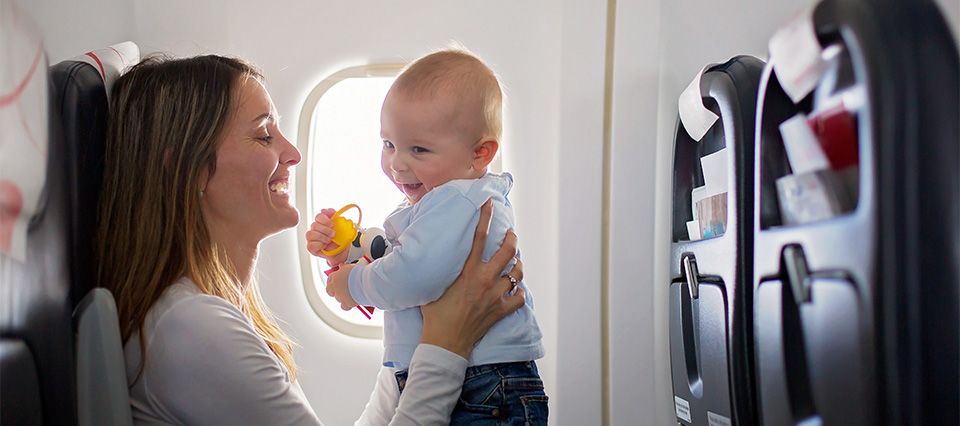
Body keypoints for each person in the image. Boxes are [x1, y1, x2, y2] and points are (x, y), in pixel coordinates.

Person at [96, 54, 526, 425]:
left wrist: (413, 357)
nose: (293, 153)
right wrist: (446, 341)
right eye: (264, 134)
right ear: (188, 169)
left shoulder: (209, 313)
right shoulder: (191, 328)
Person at [306, 49, 547, 425]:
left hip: (483, 382)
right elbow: (404, 267)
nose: (397, 164)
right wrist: (343, 260)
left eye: (418, 149)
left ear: (480, 153)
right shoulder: (441, 203)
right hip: (474, 377)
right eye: (389, 144)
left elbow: (414, 275)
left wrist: (353, 284)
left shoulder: (457, 200)